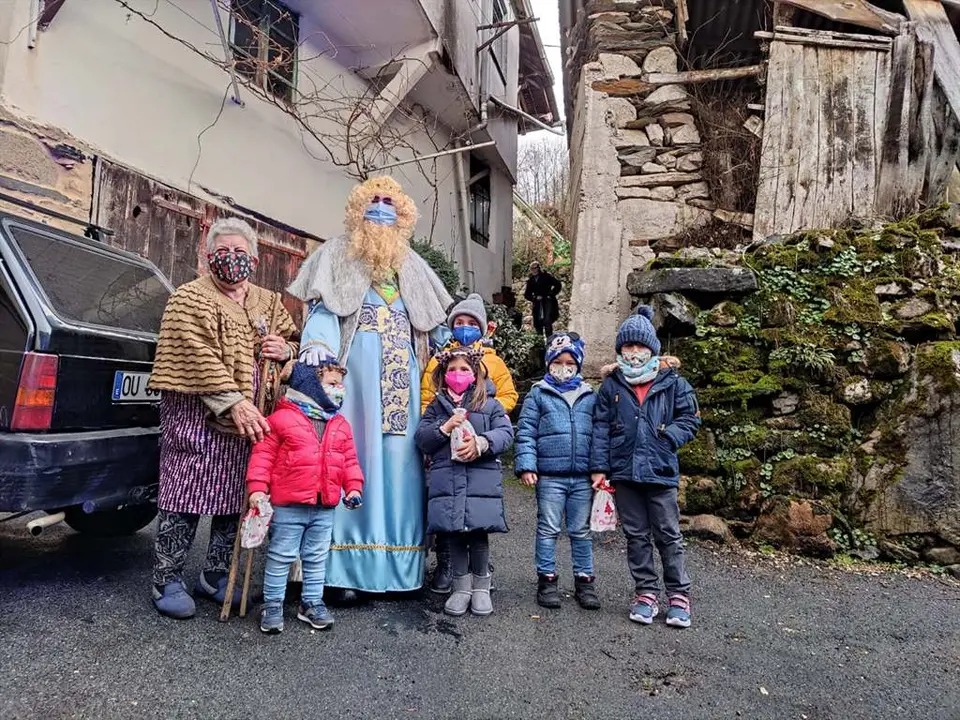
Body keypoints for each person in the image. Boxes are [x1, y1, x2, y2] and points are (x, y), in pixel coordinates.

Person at [286, 176, 453, 600]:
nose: (381, 208)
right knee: (350, 459)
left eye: (389, 202)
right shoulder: (336, 254)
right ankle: (339, 573)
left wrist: (457, 350)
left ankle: (396, 572)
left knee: (401, 466)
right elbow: (325, 312)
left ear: (403, 214)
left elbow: (434, 326)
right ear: (359, 209)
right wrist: (318, 345)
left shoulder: (414, 266)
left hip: (403, 389)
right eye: (373, 200)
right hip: (355, 384)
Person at [147, 217, 299, 619]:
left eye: (240, 252)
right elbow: (193, 355)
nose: (232, 259)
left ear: (254, 259)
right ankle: (167, 578)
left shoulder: (268, 302)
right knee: (184, 495)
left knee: (236, 497)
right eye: (223, 252)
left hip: (252, 424)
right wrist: (233, 402)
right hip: (197, 418)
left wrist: (285, 351)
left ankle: (215, 575)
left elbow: (296, 343)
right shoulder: (188, 298)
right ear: (208, 256)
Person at [590, 306, 701, 628]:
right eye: (628, 345)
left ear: (652, 348)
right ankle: (646, 593)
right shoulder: (611, 386)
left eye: (640, 345)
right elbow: (600, 428)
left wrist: (667, 439)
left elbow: (690, 419)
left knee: (668, 534)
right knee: (636, 536)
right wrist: (599, 468)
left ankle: (678, 595)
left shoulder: (674, 383)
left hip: (660, 472)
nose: (634, 352)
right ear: (620, 349)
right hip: (624, 473)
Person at [247, 360, 363, 634]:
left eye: (340, 385)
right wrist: (257, 488)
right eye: (332, 384)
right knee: (281, 556)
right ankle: (272, 605)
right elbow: (263, 456)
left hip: (324, 506)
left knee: (316, 556)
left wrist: (354, 487)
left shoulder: (340, 424)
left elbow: (349, 460)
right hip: (289, 504)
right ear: (311, 386)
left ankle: (311, 602)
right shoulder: (281, 419)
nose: (339, 390)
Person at [420, 293, 518, 594]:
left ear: (483, 327)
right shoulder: (439, 360)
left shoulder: (493, 361)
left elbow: (508, 396)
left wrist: (482, 414)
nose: (465, 328)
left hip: (478, 447)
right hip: (444, 450)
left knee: (477, 511)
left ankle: (479, 572)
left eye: (472, 323)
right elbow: (426, 398)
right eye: (459, 322)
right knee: (444, 505)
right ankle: (446, 563)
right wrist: (440, 425)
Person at [515, 332, 600, 611]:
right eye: (558, 362)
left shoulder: (589, 395)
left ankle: (584, 581)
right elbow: (526, 432)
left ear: (578, 365)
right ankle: (547, 579)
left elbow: (600, 435)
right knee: (548, 528)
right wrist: (527, 465)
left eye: (570, 363)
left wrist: (600, 468)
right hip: (550, 476)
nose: (564, 368)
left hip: (583, 477)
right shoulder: (538, 394)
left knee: (581, 531)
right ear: (549, 363)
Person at [524, 261, 562, 337]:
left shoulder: (546, 276)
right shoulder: (531, 280)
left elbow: (558, 284)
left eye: (535, 268)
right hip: (537, 303)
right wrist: (534, 298)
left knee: (547, 321)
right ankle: (540, 341)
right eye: (532, 269)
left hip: (547, 301)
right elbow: (527, 294)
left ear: (538, 268)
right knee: (537, 323)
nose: (534, 270)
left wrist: (551, 294)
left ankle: (549, 340)